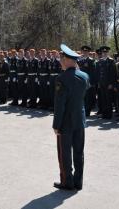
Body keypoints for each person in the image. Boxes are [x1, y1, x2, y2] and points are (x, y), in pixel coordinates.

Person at [52, 44, 89, 191]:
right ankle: (78, 182)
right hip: (80, 120)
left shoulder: (62, 78)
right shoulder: (84, 76)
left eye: (62, 58)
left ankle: (68, 182)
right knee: (79, 152)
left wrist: (56, 125)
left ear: (68, 60)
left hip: (66, 122)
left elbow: (59, 105)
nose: (60, 61)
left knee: (64, 153)